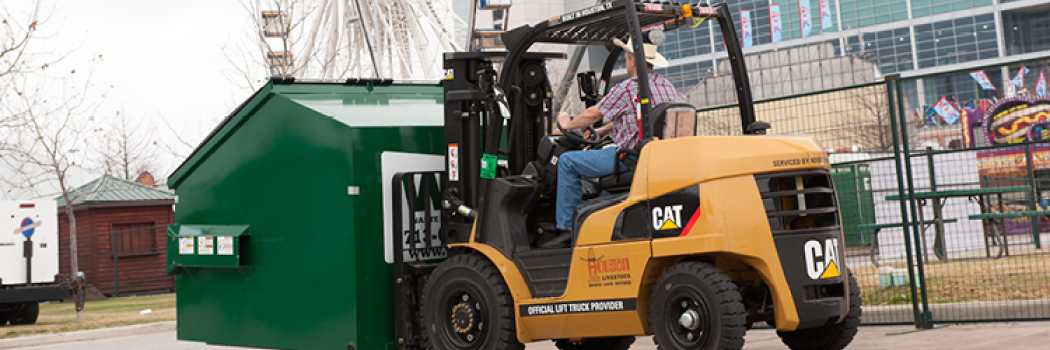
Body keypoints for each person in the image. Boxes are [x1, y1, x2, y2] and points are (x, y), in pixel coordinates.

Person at [542, 38, 679, 249]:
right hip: (656, 157)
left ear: (633, 61)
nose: (626, 62)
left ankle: (567, 229)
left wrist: (567, 123)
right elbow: (644, 120)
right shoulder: (667, 86)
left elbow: (591, 114)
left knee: (568, 161)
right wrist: (603, 130)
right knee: (603, 182)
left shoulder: (629, 88)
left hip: (631, 158)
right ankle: (597, 225)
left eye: (626, 58)